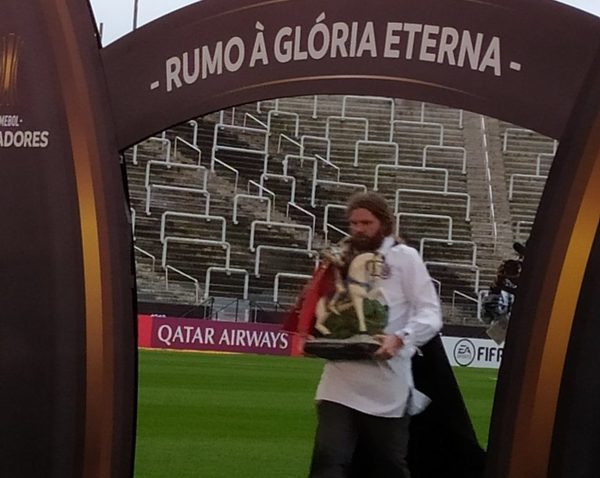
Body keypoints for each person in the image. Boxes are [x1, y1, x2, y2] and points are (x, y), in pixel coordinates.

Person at [308, 192, 443, 478]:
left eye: (366, 222)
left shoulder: (405, 258)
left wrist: (401, 338)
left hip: (387, 381)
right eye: (353, 223)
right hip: (340, 379)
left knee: (390, 466)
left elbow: (431, 314)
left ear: (383, 223)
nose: (358, 229)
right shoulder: (339, 257)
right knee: (328, 458)